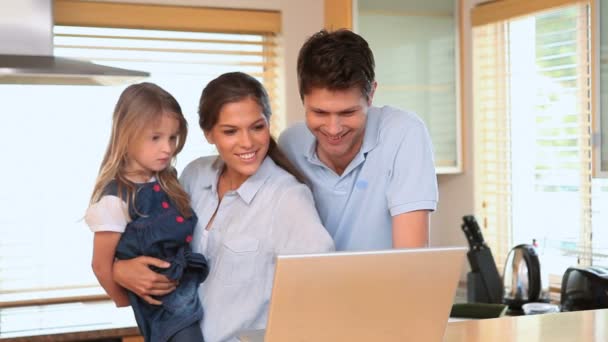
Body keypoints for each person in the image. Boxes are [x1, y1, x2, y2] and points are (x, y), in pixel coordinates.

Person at [112, 72, 335, 342]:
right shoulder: (194, 176)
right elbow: (156, 243)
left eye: (257, 127)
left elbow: (321, 294)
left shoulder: (287, 198)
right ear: (208, 133)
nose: (248, 142)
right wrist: (119, 270)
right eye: (230, 131)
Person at [279, 29, 438, 251]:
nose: (333, 129)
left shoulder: (404, 133)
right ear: (302, 97)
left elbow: (410, 257)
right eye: (320, 113)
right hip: (312, 284)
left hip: (388, 284)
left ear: (371, 94)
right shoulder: (289, 145)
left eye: (347, 113)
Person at [85, 83, 209, 342]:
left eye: (172, 137)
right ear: (127, 135)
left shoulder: (169, 181)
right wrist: (128, 301)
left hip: (189, 292)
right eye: (155, 138)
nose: (167, 148)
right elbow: (100, 264)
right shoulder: (115, 199)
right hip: (163, 310)